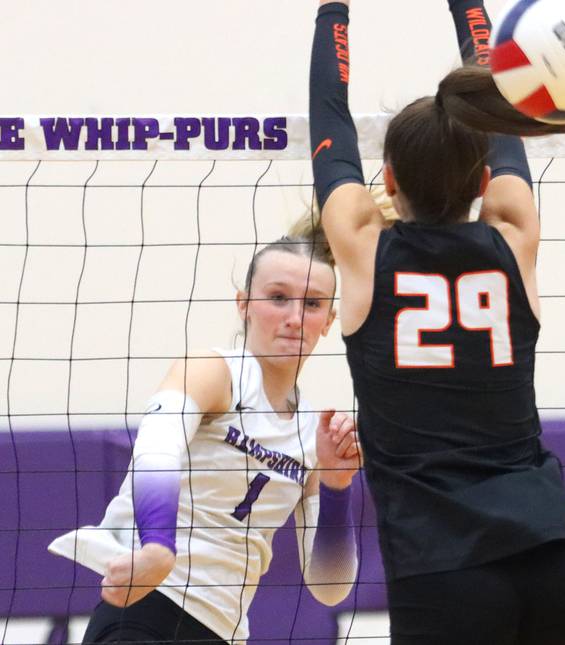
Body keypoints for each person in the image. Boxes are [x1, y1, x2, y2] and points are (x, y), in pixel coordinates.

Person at [309, 1, 565, 644]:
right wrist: (470, 7)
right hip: (542, 550)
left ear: (388, 180)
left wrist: (333, 13)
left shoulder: (364, 251)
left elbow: (330, 124)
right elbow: (505, 114)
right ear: (484, 180)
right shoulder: (514, 239)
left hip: (439, 566)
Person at [48, 227, 360, 644]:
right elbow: (157, 449)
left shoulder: (311, 433)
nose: (295, 317)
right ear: (244, 304)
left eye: (313, 304)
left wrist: (338, 489)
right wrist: (158, 547)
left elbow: (329, 587)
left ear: (328, 323)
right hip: (147, 610)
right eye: (279, 297)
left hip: (222, 632)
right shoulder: (214, 372)